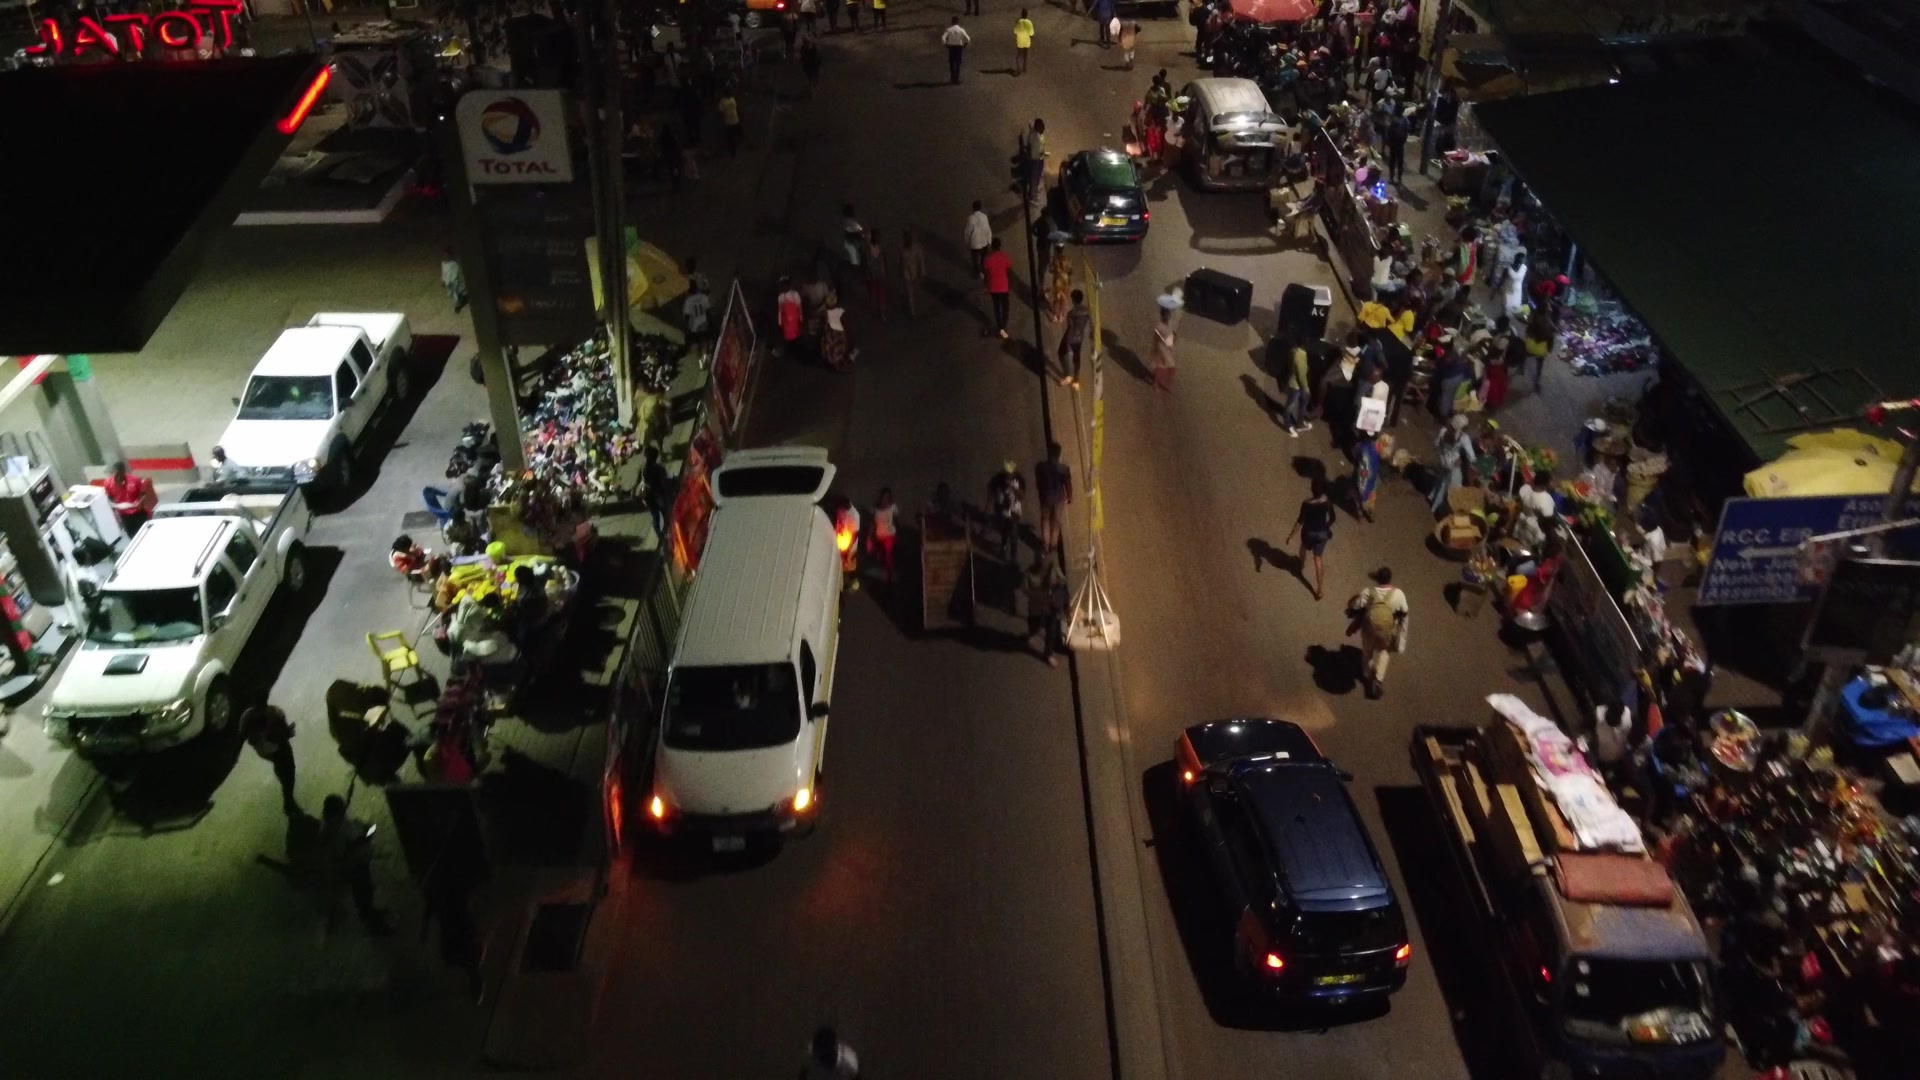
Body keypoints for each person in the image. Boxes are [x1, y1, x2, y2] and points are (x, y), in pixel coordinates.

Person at [320, 794, 390, 934]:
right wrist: (361, 840)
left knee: (367, 892)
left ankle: (372, 912)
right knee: (362, 895)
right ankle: (372, 925)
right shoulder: (333, 831)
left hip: (359, 864)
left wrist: (366, 834)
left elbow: (366, 830)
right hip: (353, 868)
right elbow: (339, 853)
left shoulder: (343, 825)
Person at [1348, 566, 1407, 699]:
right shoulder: (1398, 594)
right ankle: (1378, 679)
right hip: (1387, 630)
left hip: (1369, 628)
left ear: (1378, 579)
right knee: (1384, 650)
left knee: (1367, 651)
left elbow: (1356, 605)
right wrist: (1401, 637)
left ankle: (1367, 675)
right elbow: (1404, 613)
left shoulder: (1369, 592)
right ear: (1389, 580)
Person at [1285, 476, 1335, 600]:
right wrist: (1326, 527)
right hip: (1322, 534)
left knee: (1303, 547)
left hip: (1309, 532)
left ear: (1312, 489)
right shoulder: (1327, 501)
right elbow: (1333, 518)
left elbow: (1300, 521)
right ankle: (1319, 590)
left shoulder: (1307, 503)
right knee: (1318, 559)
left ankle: (1300, 565)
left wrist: (1291, 536)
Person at [242, 704, 299, 814]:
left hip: (271, 743)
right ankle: (289, 802)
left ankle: (288, 799)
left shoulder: (265, 715)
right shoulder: (266, 719)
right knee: (286, 767)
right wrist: (285, 733)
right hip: (273, 745)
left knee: (286, 767)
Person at [1034, 440, 1072, 567]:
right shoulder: (1064, 469)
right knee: (1056, 522)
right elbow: (1068, 485)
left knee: (1045, 520)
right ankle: (1053, 545)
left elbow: (1038, 483)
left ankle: (1045, 545)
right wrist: (1069, 497)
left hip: (1046, 497)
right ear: (1059, 455)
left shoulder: (1040, 467)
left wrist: (1041, 493)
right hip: (1059, 498)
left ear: (1049, 453)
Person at [1027, 561, 1070, 667]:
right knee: (1034, 621)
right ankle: (1034, 631)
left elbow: (1062, 582)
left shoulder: (1053, 567)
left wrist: (1058, 582)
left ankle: (1048, 654)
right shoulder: (1032, 573)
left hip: (1051, 607)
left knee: (1051, 630)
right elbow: (1027, 587)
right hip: (1038, 606)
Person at [1430, 414, 1473, 514]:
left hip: (1443, 462)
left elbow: (1436, 444)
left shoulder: (1443, 431)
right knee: (1454, 490)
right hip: (1454, 466)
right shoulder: (1463, 438)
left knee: (1441, 483)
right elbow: (1471, 457)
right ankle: (1439, 510)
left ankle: (1433, 503)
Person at [103, 461, 156, 533]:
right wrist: (114, 506)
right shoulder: (108, 484)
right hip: (124, 516)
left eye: (119, 474)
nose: (118, 477)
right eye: (116, 474)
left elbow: (144, 494)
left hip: (138, 513)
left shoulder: (135, 480)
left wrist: (140, 503)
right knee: (132, 535)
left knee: (146, 532)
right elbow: (109, 498)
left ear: (123, 472)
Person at [988, 461, 1025, 563]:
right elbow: (991, 493)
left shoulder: (1019, 480)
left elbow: (1022, 496)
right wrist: (990, 507)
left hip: (1014, 511)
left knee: (1013, 533)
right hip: (1001, 511)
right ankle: (1003, 548)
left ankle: (1013, 558)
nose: (1008, 476)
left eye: (1010, 473)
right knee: (1004, 531)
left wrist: (1013, 488)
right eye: (1006, 473)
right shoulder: (998, 479)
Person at [1280, 332, 1313, 437]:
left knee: (1303, 403)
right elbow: (1301, 374)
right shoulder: (1300, 356)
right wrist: (1306, 387)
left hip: (1294, 383)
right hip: (1297, 386)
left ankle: (1299, 423)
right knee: (1290, 406)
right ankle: (1289, 425)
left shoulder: (1294, 351)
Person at [1059, 289, 1092, 388]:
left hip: (1071, 336)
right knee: (1077, 358)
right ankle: (1076, 381)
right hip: (1080, 337)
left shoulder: (1071, 313)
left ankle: (1068, 375)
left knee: (1061, 352)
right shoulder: (1087, 311)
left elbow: (1070, 327)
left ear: (1073, 299)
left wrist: (1068, 341)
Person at [982, 237, 1013, 338]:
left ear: (992, 247)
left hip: (993, 287)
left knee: (997, 307)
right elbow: (1009, 269)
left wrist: (986, 285)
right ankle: (1004, 325)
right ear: (1000, 246)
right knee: (1005, 307)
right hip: (1004, 287)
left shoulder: (988, 260)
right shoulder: (1004, 257)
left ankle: (1000, 326)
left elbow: (986, 274)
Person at [643, 445, 674, 540]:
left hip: (647, 497)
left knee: (656, 516)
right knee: (666, 513)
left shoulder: (643, 469)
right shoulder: (659, 468)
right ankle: (670, 531)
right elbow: (664, 482)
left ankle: (660, 534)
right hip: (658, 495)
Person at [870, 487, 899, 583]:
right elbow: (873, 524)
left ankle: (890, 574)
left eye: (887, 497)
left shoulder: (893, 507)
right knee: (879, 555)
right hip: (879, 536)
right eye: (884, 496)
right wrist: (870, 537)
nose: (885, 498)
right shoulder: (875, 509)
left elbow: (896, 522)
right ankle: (884, 573)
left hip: (890, 535)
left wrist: (898, 535)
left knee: (888, 552)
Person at [821, 293, 853, 371]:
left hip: (831, 336)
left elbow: (825, 327)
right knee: (841, 348)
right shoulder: (841, 311)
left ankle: (836, 362)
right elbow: (845, 324)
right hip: (839, 335)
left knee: (832, 348)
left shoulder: (825, 314)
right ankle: (841, 362)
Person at [899, 228, 927, 317]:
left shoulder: (916, 247)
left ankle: (906, 302)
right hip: (906, 274)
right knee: (910, 293)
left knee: (911, 292)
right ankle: (912, 312)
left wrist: (922, 273)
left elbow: (921, 260)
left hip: (914, 273)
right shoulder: (902, 249)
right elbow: (901, 261)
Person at [1022, 118, 1048, 204]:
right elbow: (1030, 149)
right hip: (1035, 161)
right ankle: (1032, 197)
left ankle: (1034, 192)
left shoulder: (1038, 135)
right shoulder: (1033, 136)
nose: (1043, 128)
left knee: (1037, 177)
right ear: (1037, 127)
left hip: (1038, 159)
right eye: (1041, 127)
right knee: (1034, 179)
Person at [1151, 308, 1177, 392]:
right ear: (1162, 315)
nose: (1167, 316)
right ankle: (1156, 383)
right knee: (1163, 367)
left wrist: (1173, 342)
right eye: (1165, 314)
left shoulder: (1171, 323)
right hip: (1161, 348)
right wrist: (1156, 349)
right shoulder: (1159, 326)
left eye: (1168, 314)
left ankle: (1163, 383)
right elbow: (1156, 338)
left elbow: (1174, 334)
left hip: (1168, 348)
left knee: (1168, 367)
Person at [864, 228, 888, 318]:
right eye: (877, 236)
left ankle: (879, 312)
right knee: (877, 295)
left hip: (876, 275)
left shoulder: (871, 249)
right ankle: (880, 313)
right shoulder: (877, 249)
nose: (879, 238)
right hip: (875, 275)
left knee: (877, 295)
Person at [964, 200, 992, 278]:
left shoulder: (970, 218)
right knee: (983, 257)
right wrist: (989, 241)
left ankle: (976, 272)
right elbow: (988, 229)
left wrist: (967, 242)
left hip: (974, 243)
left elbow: (967, 232)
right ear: (980, 208)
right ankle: (982, 269)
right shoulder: (984, 217)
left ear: (973, 208)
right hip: (984, 242)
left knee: (975, 258)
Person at [777, 277, 804, 355]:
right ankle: (790, 352)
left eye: (785, 285)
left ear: (789, 285)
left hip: (795, 321)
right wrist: (780, 323)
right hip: (786, 323)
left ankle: (797, 351)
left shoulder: (795, 294)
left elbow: (799, 307)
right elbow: (780, 310)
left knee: (796, 337)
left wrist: (801, 319)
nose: (784, 287)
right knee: (788, 339)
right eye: (782, 286)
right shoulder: (780, 297)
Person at [941, 17, 970, 84]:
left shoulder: (948, 30)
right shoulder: (961, 30)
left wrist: (946, 44)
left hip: (951, 47)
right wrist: (964, 46)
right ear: (958, 22)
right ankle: (956, 79)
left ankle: (952, 78)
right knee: (958, 63)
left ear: (952, 22)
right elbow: (968, 39)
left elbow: (943, 38)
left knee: (951, 63)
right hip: (959, 47)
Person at [717, 88, 742, 155]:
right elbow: (721, 111)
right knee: (731, 136)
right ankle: (732, 150)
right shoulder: (723, 101)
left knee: (733, 135)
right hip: (729, 121)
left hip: (734, 119)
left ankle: (733, 148)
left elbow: (736, 107)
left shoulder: (731, 99)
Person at [1013, 9, 1035, 75]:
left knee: (1019, 55)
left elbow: (1015, 31)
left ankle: (1018, 68)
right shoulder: (1029, 23)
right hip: (1027, 42)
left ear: (1021, 14)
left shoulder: (1019, 22)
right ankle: (1024, 67)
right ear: (1027, 14)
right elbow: (1031, 33)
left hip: (1020, 41)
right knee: (1025, 55)